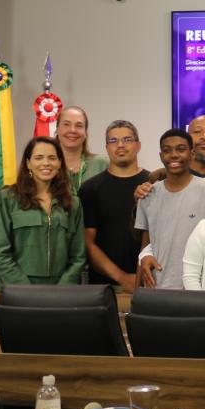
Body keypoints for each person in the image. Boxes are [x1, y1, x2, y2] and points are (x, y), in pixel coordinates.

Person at [0, 135, 86, 288]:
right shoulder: (7, 198)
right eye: (39, 158)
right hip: (16, 289)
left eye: (52, 158)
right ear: (28, 163)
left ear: (60, 163)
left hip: (60, 290)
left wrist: (61, 290)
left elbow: (78, 256)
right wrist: (26, 290)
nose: (46, 163)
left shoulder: (73, 203)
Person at [135, 129, 205, 291]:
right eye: (167, 150)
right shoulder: (148, 194)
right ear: (161, 156)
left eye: (181, 149)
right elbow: (145, 245)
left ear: (192, 154)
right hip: (158, 284)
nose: (174, 155)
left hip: (199, 287)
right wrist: (136, 292)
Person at [79, 120, 148, 291]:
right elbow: (87, 243)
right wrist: (122, 278)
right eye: (113, 141)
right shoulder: (90, 189)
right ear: (107, 148)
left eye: (127, 140)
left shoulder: (152, 186)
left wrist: (140, 276)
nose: (120, 145)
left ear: (138, 145)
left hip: (149, 283)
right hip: (104, 287)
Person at [55, 106, 107, 191]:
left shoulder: (102, 164)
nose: (72, 130)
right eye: (66, 124)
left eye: (79, 126)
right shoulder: (47, 165)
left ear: (85, 132)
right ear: (57, 129)